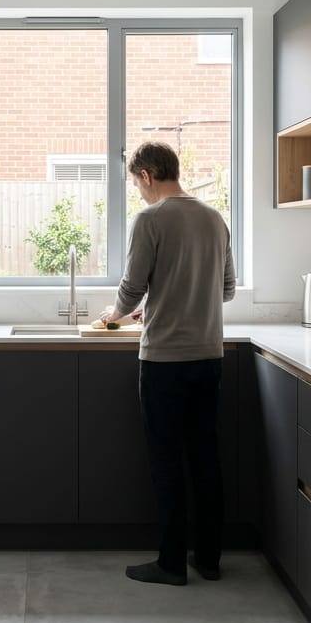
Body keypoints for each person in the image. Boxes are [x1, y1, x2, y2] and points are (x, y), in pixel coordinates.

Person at [102, 141, 236, 586]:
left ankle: (171, 563)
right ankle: (210, 560)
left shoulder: (150, 219)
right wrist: (166, 300)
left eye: (135, 183)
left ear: (146, 176)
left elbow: (132, 286)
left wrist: (114, 315)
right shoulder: (215, 219)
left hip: (164, 361)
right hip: (208, 357)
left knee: (166, 462)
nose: (138, 193)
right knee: (206, 458)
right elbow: (226, 290)